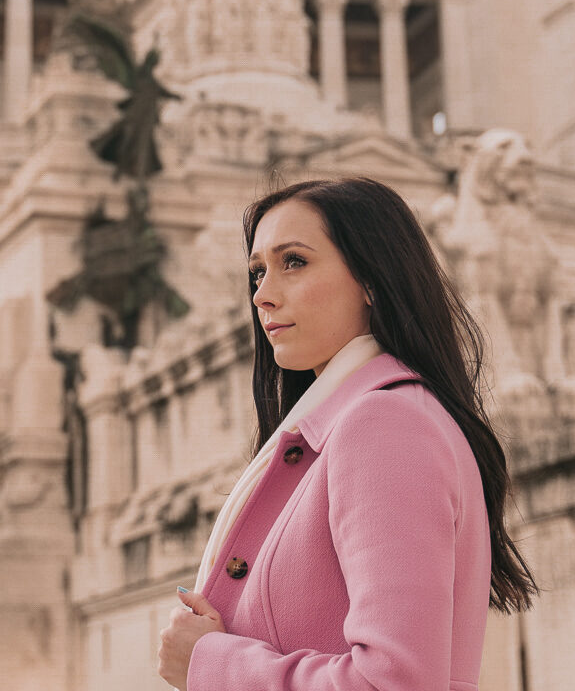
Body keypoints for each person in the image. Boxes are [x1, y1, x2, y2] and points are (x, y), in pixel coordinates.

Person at [156, 176, 536, 691]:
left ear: (372, 279)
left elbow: (392, 683)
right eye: (257, 271)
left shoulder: (385, 425)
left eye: (295, 261)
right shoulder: (360, 423)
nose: (263, 295)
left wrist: (209, 663)